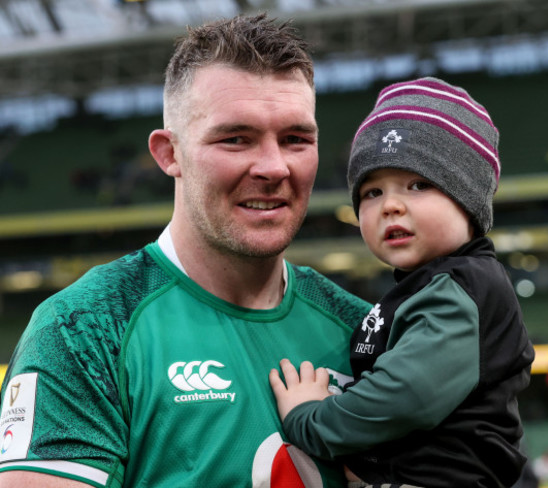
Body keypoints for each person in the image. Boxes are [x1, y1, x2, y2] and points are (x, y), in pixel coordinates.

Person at [0, 14, 371, 488]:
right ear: (168, 153)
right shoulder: (83, 330)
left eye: (296, 139)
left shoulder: (364, 332)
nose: (275, 166)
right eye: (236, 138)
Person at [270, 77, 536, 487]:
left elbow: (403, 398)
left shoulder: (464, 287)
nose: (391, 205)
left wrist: (310, 418)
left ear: (467, 198)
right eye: (372, 192)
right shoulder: (427, 285)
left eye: (418, 185)